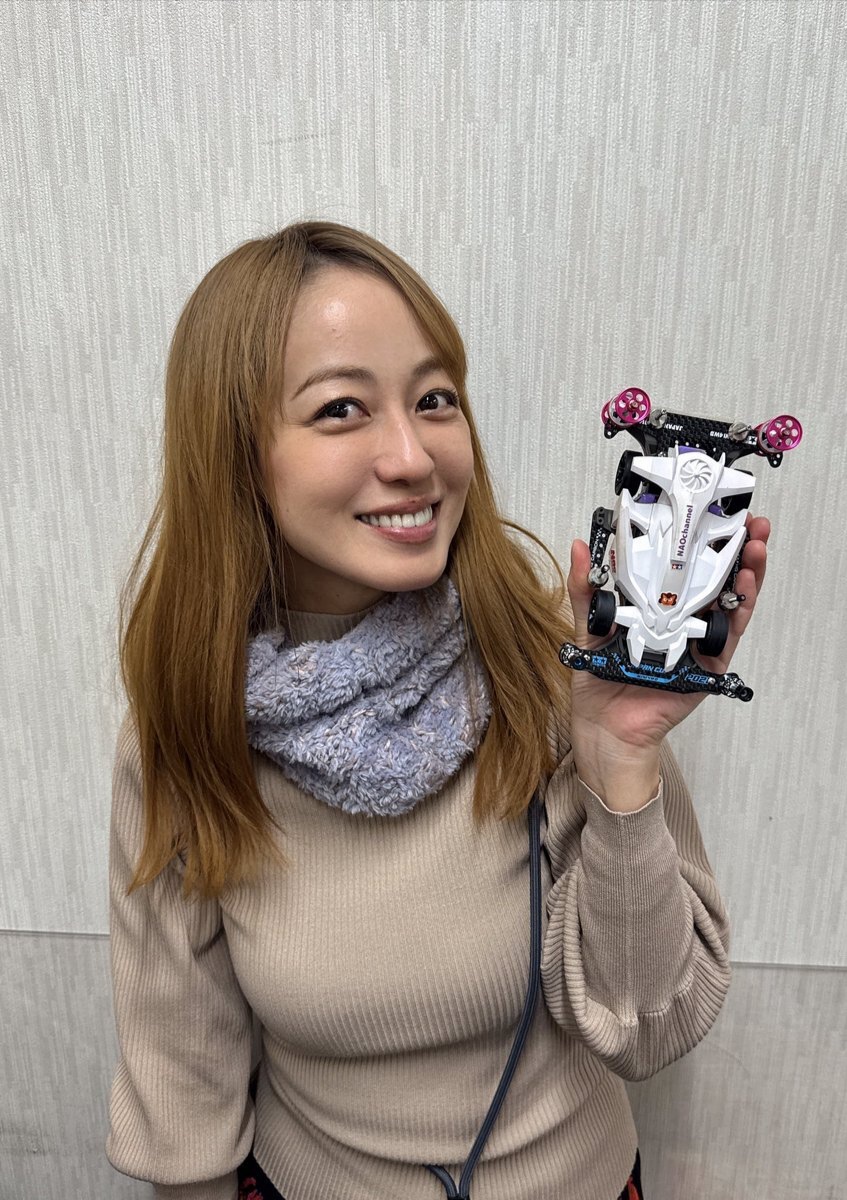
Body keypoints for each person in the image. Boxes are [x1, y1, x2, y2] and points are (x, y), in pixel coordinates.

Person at [106, 220, 770, 1200]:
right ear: (236, 455)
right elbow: (181, 1088)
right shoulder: (189, 730)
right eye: (341, 409)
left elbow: (652, 1027)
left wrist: (617, 758)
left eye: (434, 399)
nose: (413, 456)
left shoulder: (554, 668)